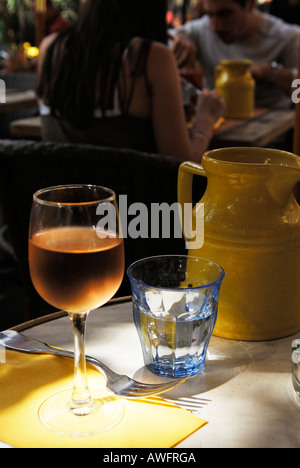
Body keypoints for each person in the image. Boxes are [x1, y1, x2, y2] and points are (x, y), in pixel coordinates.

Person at [36, 0, 223, 163]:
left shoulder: (49, 48)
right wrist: (206, 118)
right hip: (131, 203)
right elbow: (181, 166)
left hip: (61, 201)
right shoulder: (149, 58)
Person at [172, 0, 300, 108]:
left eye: (226, 14)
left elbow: (298, 96)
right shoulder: (202, 30)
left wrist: (272, 74)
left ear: (251, 4)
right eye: (210, 14)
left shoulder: (287, 38)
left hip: (273, 133)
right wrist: (180, 36)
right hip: (217, 128)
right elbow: (164, 41)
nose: (216, 26)